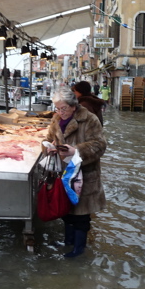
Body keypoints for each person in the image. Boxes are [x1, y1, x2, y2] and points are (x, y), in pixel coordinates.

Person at [45, 86, 106, 257]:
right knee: (66, 211)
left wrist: (76, 151)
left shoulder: (89, 120)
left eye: (63, 108)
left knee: (81, 214)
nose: (60, 112)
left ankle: (79, 249)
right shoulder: (56, 119)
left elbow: (100, 145)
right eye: (57, 108)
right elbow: (48, 138)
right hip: (64, 173)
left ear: (73, 106)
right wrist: (48, 148)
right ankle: (68, 241)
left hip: (84, 175)